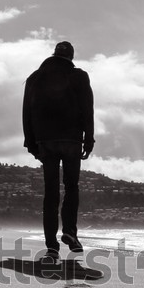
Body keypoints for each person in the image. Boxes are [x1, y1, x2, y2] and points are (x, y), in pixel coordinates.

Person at [22, 41, 94, 262]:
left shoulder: (35, 77)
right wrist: (88, 140)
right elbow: (87, 108)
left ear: (53, 55)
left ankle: (52, 247)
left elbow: (26, 109)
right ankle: (70, 232)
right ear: (71, 57)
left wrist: (31, 142)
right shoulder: (79, 76)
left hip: (46, 140)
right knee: (71, 186)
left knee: (51, 192)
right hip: (72, 140)